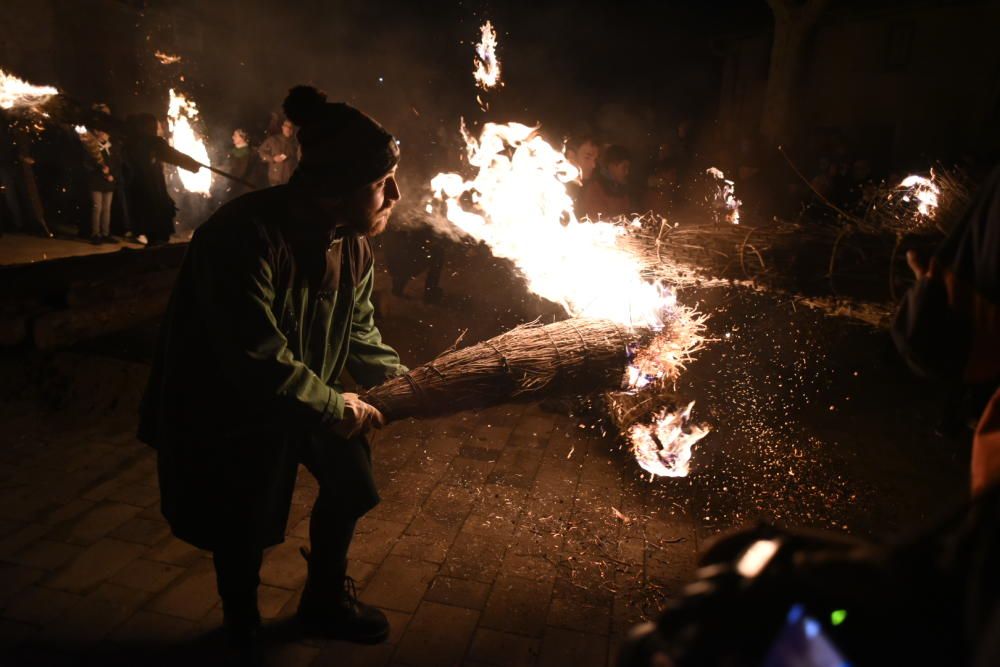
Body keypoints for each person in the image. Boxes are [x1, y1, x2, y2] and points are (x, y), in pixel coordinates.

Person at [138, 85, 407, 659]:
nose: (395, 195)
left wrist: (408, 383)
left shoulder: (353, 244)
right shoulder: (242, 238)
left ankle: (325, 599)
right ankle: (241, 626)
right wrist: (338, 407)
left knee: (353, 486)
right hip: (235, 405)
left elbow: (359, 332)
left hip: (308, 393)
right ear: (337, 188)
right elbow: (254, 357)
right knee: (242, 522)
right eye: (382, 183)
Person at [79, 126, 121, 244]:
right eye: (101, 132)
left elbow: (117, 164)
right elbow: (87, 165)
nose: (103, 135)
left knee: (107, 209)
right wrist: (99, 169)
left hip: (109, 183)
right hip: (96, 182)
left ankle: (105, 233)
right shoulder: (92, 148)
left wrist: (113, 175)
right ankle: (95, 234)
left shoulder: (111, 148)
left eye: (105, 133)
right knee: (97, 208)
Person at [579, 144, 633, 219]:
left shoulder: (621, 188)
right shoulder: (595, 187)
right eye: (624, 167)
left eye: (628, 168)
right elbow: (597, 218)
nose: (627, 172)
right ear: (612, 166)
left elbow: (627, 214)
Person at [258, 118, 299, 186]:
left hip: (289, 178)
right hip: (275, 178)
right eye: (286, 126)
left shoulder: (295, 143)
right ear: (282, 127)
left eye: (291, 127)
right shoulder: (273, 140)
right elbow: (261, 151)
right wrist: (273, 158)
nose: (288, 129)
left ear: (293, 130)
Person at [223, 128, 259, 200]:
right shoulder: (233, 152)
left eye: (235, 135)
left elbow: (241, 172)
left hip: (242, 189)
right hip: (233, 186)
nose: (233, 137)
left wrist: (229, 186)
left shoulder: (248, 154)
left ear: (242, 138)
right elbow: (229, 167)